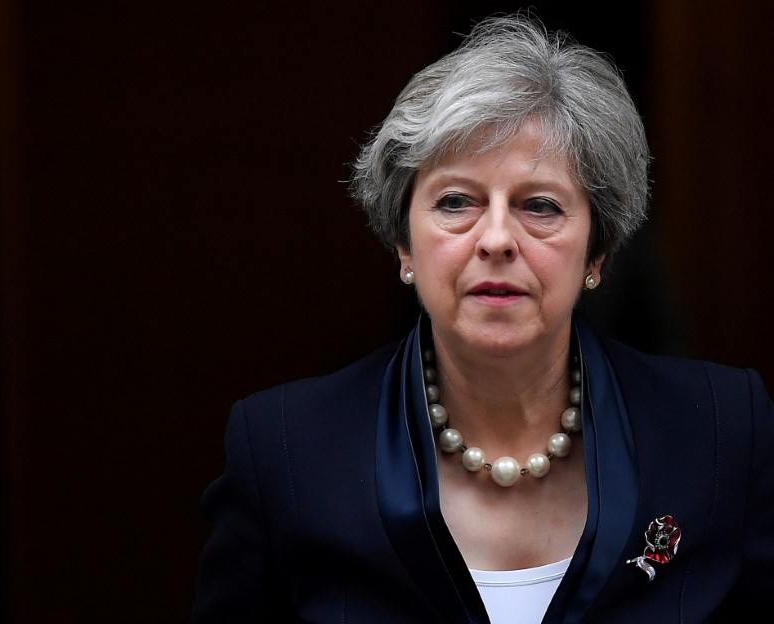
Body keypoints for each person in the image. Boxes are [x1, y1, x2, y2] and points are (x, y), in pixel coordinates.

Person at [192, 13, 774, 623]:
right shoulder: (287, 451)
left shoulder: (719, 434)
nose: (496, 238)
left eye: (540, 206)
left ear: (596, 252)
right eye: (456, 202)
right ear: (404, 244)